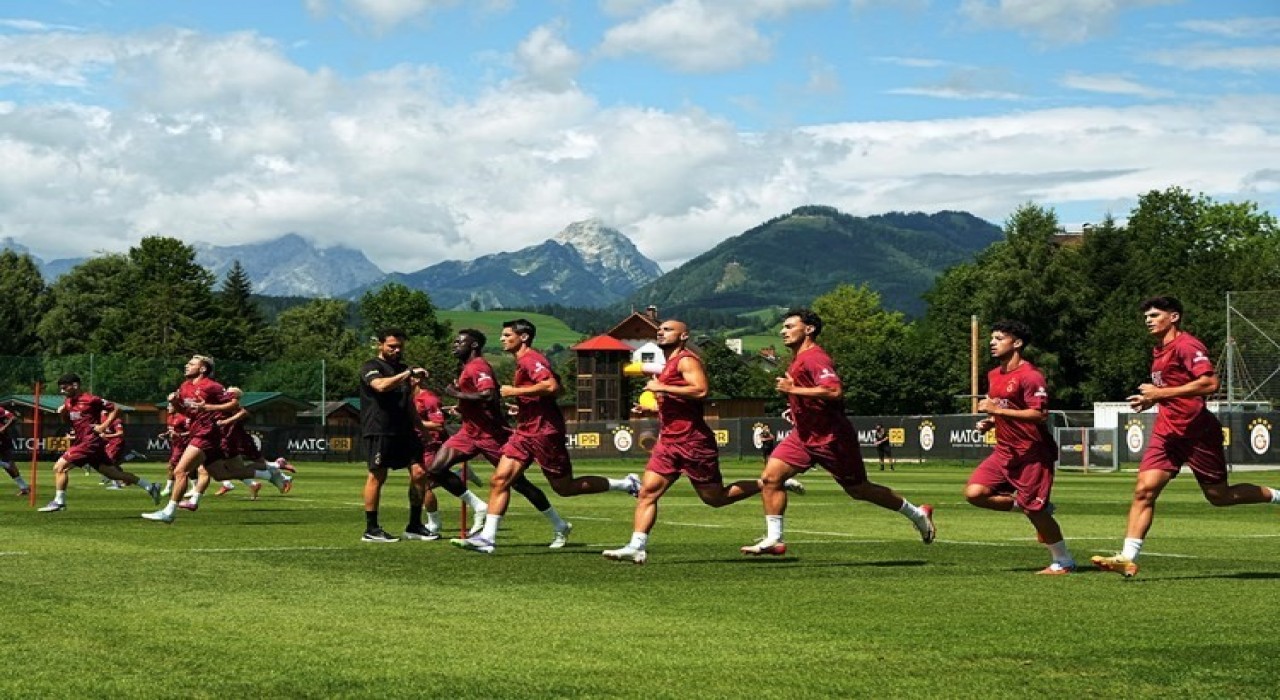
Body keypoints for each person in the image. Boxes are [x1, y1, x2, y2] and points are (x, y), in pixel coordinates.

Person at [1093, 296, 1280, 577]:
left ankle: (1277, 495)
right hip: (1167, 431)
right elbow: (1175, 390)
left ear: (1174, 317)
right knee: (1144, 489)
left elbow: (1209, 383)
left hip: (1197, 432)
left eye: (1155, 315)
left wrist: (1159, 394)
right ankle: (1127, 558)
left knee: (1219, 496)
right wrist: (1150, 402)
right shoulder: (1159, 350)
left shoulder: (1187, 345)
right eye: (1146, 316)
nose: (1148, 320)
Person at [602, 319, 802, 564]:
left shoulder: (686, 360)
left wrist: (661, 386)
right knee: (647, 493)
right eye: (659, 330)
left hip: (693, 442)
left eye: (667, 330)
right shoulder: (668, 364)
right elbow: (680, 402)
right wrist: (652, 411)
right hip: (668, 443)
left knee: (714, 498)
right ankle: (637, 546)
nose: (660, 333)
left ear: (684, 335)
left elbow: (700, 390)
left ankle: (769, 483)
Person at [742, 309, 935, 556]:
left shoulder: (814, 358)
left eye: (790, 326)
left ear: (809, 329)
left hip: (831, 437)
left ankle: (917, 514)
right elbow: (814, 395)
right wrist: (795, 409)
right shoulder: (798, 359)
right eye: (784, 327)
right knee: (771, 478)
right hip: (803, 434)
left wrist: (794, 391)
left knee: (859, 490)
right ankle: (774, 539)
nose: (783, 331)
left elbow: (833, 391)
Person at [453, 319, 639, 554]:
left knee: (564, 487)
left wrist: (515, 391)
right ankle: (488, 539)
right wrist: (523, 405)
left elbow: (550, 386)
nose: (501, 339)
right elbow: (557, 388)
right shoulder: (523, 361)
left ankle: (626, 484)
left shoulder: (532, 359)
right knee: (499, 480)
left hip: (545, 432)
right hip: (525, 431)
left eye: (507, 335)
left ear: (523, 337)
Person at [429, 329, 568, 549]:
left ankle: (559, 524)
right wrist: (462, 406)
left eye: (459, 342)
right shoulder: (467, 368)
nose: (454, 345)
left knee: (519, 484)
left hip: (492, 434)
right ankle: (479, 506)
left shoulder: (479, 367)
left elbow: (489, 394)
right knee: (435, 469)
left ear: (473, 345)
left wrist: (457, 394)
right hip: (468, 432)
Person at [964, 320, 1076, 575]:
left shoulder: (1030, 376)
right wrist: (992, 422)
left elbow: (1039, 414)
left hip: (1033, 452)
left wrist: (996, 410)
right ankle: (1033, 506)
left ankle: (1064, 561)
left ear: (1017, 343)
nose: (992, 342)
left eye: (999, 338)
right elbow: (1006, 410)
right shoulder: (993, 374)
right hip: (1005, 450)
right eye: (992, 338)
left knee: (1034, 512)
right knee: (974, 493)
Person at [143, 356, 288, 523]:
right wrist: (175, 403)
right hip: (198, 432)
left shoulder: (212, 386)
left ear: (203, 369)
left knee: (179, 471)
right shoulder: (185, 386)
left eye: (191, 364)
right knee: (220, 475)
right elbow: (186, 412)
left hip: (207, 433)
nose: (187, 366)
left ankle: (169, 512)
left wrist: (208, 407)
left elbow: (234, 404)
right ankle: (269, 473)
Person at [38, 373, 161, 512]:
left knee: (60, 467)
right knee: (113, 474)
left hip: (90, 442)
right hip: (83, 442)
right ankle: (150, 486)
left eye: (64, 388)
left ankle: (59, 502)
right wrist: (63, 414)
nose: (62, 391)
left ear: (75, 385)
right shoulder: (68, 402)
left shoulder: (91, 399)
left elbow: (116, 409)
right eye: (60, 389)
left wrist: (103, 426)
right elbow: (70, 422)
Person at [0, 405, 31, 496]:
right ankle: (24, 487)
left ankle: (24, 488)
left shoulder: (0, 410)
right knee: (8, 466)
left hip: (3, 440)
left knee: (9, 467)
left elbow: (13, 418)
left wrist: (4, 428)